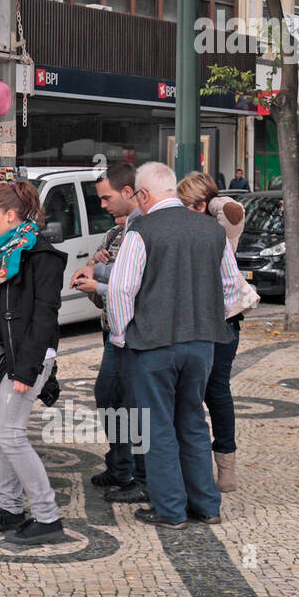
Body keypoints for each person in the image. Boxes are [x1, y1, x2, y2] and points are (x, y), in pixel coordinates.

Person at [107, 162, 242, 529]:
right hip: (203, 342)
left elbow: (121, 289)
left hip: (152, 344)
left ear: (145, 194)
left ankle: (170, 510)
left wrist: (121, 334)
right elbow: (232, 287)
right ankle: (206, 505)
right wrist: (212, 316)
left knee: (158, 427)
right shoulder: (211, 231)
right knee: (194, 420)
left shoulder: (142, 230)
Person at [0, 181, 67, 545]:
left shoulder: (40, 255)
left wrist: (28, 368)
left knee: (12, 436)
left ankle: (48, 517)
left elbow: (46, 317)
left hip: (24, 360)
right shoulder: (0, 254)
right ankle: (11, 509)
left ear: (11, 215)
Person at [70, 162, 147, 498]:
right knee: (109, 397)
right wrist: (97, 269)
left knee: (133, 403)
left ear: (128, 192)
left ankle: (138, 477)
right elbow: (104, 278)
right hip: (113, 330)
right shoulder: (118, 233)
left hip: (135, 332)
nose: (102, 205)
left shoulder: (144, 229)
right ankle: (121, 466)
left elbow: (135, 286)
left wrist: (99, 279)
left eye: (106, 198)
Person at [177, 172, 251, 492]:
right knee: (190, 391)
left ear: (202, 204)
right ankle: (193, 463)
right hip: (192, 318)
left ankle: (226, 464)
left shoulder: (223, 228)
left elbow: (233, 211)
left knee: (216, 390)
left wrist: (213, 202)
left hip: (222, 319)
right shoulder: (185, 230)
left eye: (185, 205)